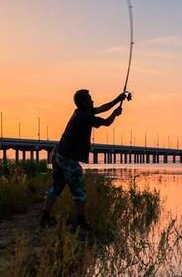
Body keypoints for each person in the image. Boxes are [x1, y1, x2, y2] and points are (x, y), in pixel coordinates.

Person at [40, 89, 130, 229]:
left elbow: (102, 108)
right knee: (79, 191)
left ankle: (44, 218)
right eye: (89, 99)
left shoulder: (80, 112)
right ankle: (81, 222)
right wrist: (115, 114)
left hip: (58, 153)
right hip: (68, 158)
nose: (92, 101)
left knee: (56, 188)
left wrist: (118, 99)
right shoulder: (84, 117)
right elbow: (106, 122)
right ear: (83, 102)